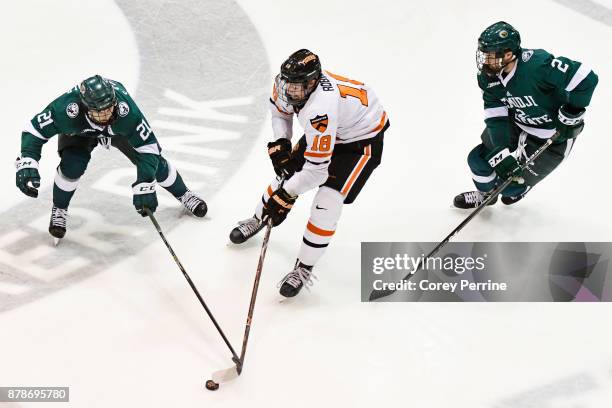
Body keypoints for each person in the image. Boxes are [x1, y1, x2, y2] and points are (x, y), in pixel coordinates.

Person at [229, 49, 389, 298]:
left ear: (312, 82)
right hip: (335, 129)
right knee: (286, 172)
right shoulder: (287, 85)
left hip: (361, 141)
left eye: (296, 86)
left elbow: (317, 172)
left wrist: (286, 196)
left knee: (327, 202)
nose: (288, 90)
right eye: (287, 83)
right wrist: (282, 141)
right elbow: (279, 112)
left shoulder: (320, 111)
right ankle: (258, 217)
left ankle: (303, 267)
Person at [15, 75, 207, 241]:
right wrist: (28, 161)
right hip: (81, 132)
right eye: (100, 111)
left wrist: (145, 183)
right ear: (85, 107)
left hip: (118, 131)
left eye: (109, 108)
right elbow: (34, 131)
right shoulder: (67, 110)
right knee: (72, 167)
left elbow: (149, 149)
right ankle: (59, 208)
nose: (107, 114)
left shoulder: (126, 111)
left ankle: (184, 193)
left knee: (156, 166)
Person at [454, 21, 598, 209]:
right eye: (484, 55)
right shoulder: (488, 78)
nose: (485, 61)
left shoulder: (537, 65)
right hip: (516, 123)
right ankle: (486, 194)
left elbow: (586, 78)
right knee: (477, 159)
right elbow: (496, 116)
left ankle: (521, 189)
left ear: (508, 54)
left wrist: (572, 112)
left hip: (552, 136)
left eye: (490, 56)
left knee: (510, 190)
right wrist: (500, 152)